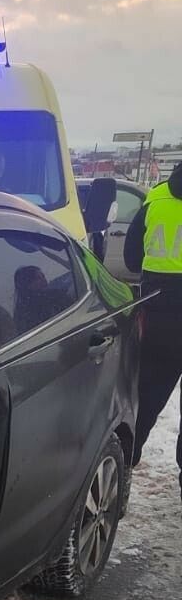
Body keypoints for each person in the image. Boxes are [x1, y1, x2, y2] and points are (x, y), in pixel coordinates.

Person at [124, 162, 182, 495]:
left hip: (159, 318)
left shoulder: (155, 199)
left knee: (146, 399)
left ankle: (125, 467)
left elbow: (132, 259)